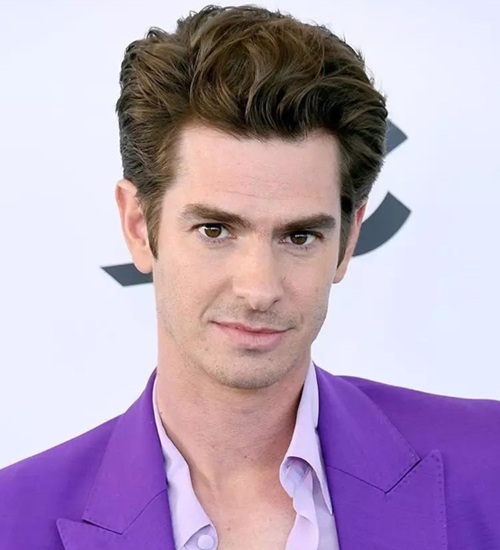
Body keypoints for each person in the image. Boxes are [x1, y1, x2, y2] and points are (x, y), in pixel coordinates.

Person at [1, 4, 499, 549]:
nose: (259, 289)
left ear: (348, 239)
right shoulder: (14, 519)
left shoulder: (488, 464)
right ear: (139, 226)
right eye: (215, 230)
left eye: (299, 236)